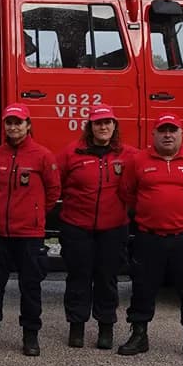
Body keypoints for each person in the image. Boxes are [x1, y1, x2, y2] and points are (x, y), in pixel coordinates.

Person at [117, 113, 183, 361]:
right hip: (149, 237)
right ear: (154, 135)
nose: (168, 135)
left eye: (173, 130)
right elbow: (127, 193)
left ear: (181, 134)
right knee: (143, 286)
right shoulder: (138, 161)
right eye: (163, 130)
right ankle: (139, 335)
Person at [0, 103, 60, 356]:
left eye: (18, 122)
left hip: (29, 235)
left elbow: (53, 191)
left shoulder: (43, 156)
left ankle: (30, 336)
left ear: (28, 125)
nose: (13, 127)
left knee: (31, 288)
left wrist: (33, 214)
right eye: (9, 122)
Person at [56, 105, 137, 350]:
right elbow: (51, 181)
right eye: (97, 123)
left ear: (115, 126)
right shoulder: (71, 153)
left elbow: (157, 160)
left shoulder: (129, 155)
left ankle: (105, 328)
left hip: (113, 229)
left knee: (107, 279)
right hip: (77, 227)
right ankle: (77, 327)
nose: (103, 127)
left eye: (107, 123)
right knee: (78, 278)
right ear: (89, 127)